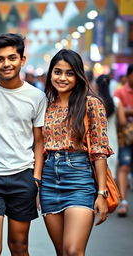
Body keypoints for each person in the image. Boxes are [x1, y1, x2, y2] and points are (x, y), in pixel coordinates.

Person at [0, 33, 47, 256]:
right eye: (0, 59)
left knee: (19, 246)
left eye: (12, 58)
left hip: (23, 177)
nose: (6, 64)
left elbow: (39, 140)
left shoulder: (36, 97)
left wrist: (37, 177)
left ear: (22, 60)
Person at [40, 49, 113, 256]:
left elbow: (99, 150)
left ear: (78, 75)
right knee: (62, 251)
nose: (62, 78)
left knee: (73, 250)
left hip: (79, 179)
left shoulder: (91, 104)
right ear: (50, 74)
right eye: (57, 72)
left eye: (69, 73)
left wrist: (101, 193)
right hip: (49, 180)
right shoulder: (45, 105)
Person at [96, 74, 126, 178]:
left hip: (97, 139)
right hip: (112, 139)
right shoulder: (116, 101)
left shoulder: (94, 101)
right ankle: (111, 193)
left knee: (97, 172)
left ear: (97, 85)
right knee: (111, 172)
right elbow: (122, 122)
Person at [114, 63, 133, 217]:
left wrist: (127, 111)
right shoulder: (120, 92)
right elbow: (120, 118)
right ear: (128, 76)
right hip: (126, 137)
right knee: (124, 167)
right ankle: (124, 202)